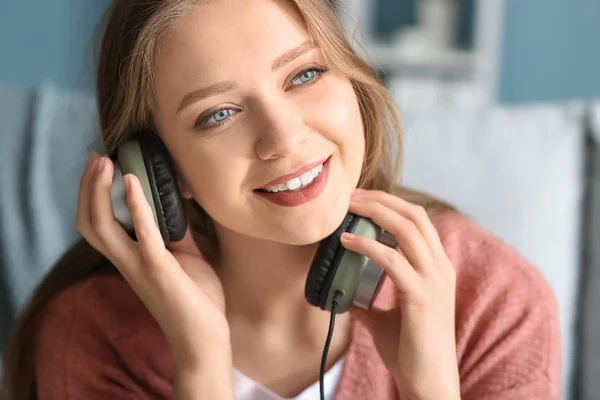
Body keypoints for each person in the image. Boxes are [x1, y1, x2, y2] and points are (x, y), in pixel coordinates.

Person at [0, 0, 561, 399]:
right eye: (217, 114)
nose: (283, 138)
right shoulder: (93, 335)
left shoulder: (490, 301)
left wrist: (430, 388)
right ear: (159, 173)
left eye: (305, 74)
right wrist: (200, 362)